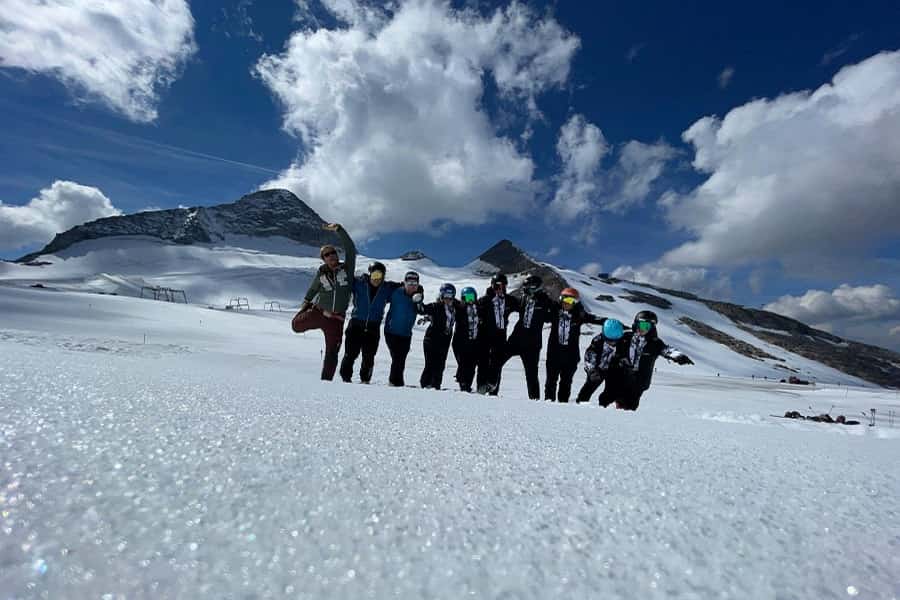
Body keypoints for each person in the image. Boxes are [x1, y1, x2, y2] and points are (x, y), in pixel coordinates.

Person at [293, 223, 357, 380]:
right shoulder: (321, 274)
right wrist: (306, 302)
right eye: (327, 255)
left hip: (336, 319)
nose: (331, 256)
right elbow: (313, 288)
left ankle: (325, 385)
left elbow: (350, 249)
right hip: (318, 313)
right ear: (323, 259)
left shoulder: (346, 269)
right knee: (296, 326)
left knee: (332, 353)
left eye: (333, 252)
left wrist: (339, 230)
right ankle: (307, 313)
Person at [598, 310, 694, 411]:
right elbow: (608, 345)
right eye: (643, 325)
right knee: (613, 402)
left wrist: (678, 356)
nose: (644, 329)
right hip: (621, 378)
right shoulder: (626, 338)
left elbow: (666, 350)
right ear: (636, 324)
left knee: (629, 408)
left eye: (648, 327)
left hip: (639, 382)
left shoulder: (655, 343)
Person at [495, 274, 554, 399]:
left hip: (532, 345)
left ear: (535, 288)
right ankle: (492, 391)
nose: (525, 290)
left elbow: (558, 313)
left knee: (531, 374)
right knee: (496, 361)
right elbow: (508, 303)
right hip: (516, 340)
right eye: (525, 287)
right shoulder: (523, 299)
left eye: (528, 287)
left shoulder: (546, 301)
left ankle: (535, 400)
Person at [339, 261, 398, 383]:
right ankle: (345, 379)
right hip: (356, 324)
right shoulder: (359, 283)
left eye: (380, 276)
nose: (377, 279)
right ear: (370, 274)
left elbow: (404, 287)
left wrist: (418, 289)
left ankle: (365, 380)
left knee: (369, 357)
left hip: (373, 327)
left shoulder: (386, 288)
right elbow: (345, 280)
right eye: (375, 275)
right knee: (350, 354)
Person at [544, 288, 605, 403]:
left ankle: (563, 406)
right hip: (554, 354)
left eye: (572, 301)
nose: (568, 303)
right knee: (550, 382)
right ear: (561, 299)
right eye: (566, 299)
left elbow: (595, 319)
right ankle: (548, 405)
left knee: (566, 383)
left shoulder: (579, 314)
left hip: (571, 356)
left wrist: (610, 322)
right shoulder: (554, 311)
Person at [476, 273, 521, 395]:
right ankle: (480, 389)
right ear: (492, 286)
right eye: (497, 286)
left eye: (503, 286)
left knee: (497, 363)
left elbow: (522, 307)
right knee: (483, 363)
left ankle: (493, 390)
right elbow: (474, 313)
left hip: (500, 336)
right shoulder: (484, 300)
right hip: (485, 335)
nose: (500, 289)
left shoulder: (509, 300)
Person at [383, 271, 425, 387]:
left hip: (406, 334)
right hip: (391, 331)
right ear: (404, 283)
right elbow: (383, 292)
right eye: (409, 282)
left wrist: (419, 300)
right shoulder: (396, 292)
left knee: (400, 358)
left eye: (415, 283)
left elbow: (421, 310)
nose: (412, 285)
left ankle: (397, 382)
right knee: (397, 357)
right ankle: (395, 382)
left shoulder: (418, 296)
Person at [575, 318, 627, 404]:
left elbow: (625, 354)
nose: (612, 342)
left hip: (613, 369)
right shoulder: (598, 341)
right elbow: (590, 355)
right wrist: (591, 370)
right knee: (590, 386)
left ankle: (604, 404)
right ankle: (581, 401)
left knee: (612, 388)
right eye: (610, 340)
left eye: (615, 340)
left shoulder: (622, 342)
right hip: (598, 369)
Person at [418, 283, 458, 389]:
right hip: (432, 339)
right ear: (441, 295)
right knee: (430, 363)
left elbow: (466, 305)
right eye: (445, 295)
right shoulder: (436, 306)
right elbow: (423, 309)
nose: (448, 299)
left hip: (445, 340)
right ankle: (425, 384)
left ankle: (436, 385)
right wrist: (418, 301)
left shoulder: (455, 307)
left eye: (450, 296)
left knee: (440, 364)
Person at [452, 286, 481, 392]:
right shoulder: (459, 308)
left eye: (471, 297)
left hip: (474, 341)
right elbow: (450, 302)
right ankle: (462, 383)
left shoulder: (478, 308)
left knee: (472, 364)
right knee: (463, 362)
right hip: (460, 342)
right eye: (466, 297)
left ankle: (467, 385)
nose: (469, 300)